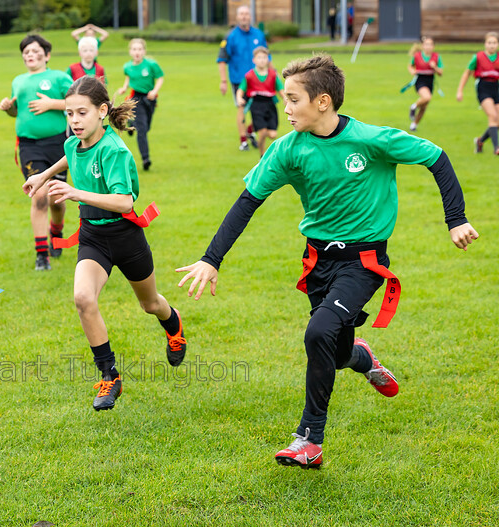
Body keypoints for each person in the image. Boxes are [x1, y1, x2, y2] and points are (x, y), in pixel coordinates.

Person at [177, 54, 479, 469]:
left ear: (322, 101)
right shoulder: (287, 149)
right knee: (333, 352)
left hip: (365, 261)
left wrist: (455, 218)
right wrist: (212, 259)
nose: (285, 108)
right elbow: (249, 201)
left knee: (317, 331)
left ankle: (309, 440)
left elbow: (436, 157)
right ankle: (362, 358)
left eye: (293, 99)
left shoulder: (371, 140)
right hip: (318, 261)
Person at [22, 77, 186, 411]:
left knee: (150, 303)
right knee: (83, 298)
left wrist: (75, 193)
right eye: (69, 114)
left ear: (102, 111)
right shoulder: (73, 142)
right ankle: (109, 375)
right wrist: (42, 176)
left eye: (81, 113)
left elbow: (125, 202)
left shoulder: (114, 150)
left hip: (125, 236)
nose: (74, 121)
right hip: (93, 237)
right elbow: (69, 157)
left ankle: (173, 325)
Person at [0, 35, 73, 271]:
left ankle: (57, 231)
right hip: (29, 146)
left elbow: (80, 102)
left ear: (47, 55)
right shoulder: (18, 81)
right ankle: (42, 254)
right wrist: (10, 109)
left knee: (57, 200)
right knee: (39, 195)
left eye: (34, 51)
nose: (30, 55)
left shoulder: (59, 77)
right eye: (26, 52)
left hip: (58, 144)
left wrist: (52, 104)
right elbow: (17, 112)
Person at [217, 5, 268, 151]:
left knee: (261, 109)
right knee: (242, 108)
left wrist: (272, 73)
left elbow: (266, 56)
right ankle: (243, 140)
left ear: (250, 16)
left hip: (259, 79)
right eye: (241, 14)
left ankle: (250, 130)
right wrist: (223, 81)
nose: (244, 16)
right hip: (239, 80)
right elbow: (221, 59)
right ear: (237, 17)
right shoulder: (230, 36)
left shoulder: (258, 35)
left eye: (246, 14)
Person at [116, 38, 164, 171]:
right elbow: (128, 77)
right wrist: (124, 87)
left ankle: (132, 124)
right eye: (134, 49)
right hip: (136, 98)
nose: (137, 52)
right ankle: (146, 159)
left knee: (146, 127)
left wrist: (154, 91)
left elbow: (160, 78)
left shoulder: (151, 64)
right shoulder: (127, 66)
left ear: (144, 51)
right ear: (130, 51)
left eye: (140, 49)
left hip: (149, 98)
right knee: (142, 131)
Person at [236, 46, 285, 157]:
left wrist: (286, 99)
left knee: (272, 134)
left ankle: (254, 132)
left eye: (264, 57)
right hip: (256, 104)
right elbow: (241, 89)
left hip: (270, 104)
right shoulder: (250, 75)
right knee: (262, 132)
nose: (262, 60)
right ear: (254, 60)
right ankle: (262, 154)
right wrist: (239, 98)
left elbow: (281, 89)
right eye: (259, 58)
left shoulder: (273, 75)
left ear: (268, 59)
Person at [456, 32, 499, 155]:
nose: (492, 45)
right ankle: (496, 148)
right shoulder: (478, 57)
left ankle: (480, 141)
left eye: (494, 43)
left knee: (498, 121)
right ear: (485, 44)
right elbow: (466, 74)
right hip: (483, 88)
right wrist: (460, 91)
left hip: (495, 88)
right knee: (492, 116)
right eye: (489, 42)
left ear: (497, 44)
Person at [407, 36, 443, 132]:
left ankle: (414, 125)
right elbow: (410, 66)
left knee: (424, 107)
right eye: (426, 44)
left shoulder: (436, 57)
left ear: (433, 46)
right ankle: (413, 106)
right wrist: (412, 71)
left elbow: (440, 73)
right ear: (423, 46)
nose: (428, 47)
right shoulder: (417, 56)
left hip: (430, 81)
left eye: (430, 44)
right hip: (420, 80)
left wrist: (434, 67)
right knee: (427, 97)